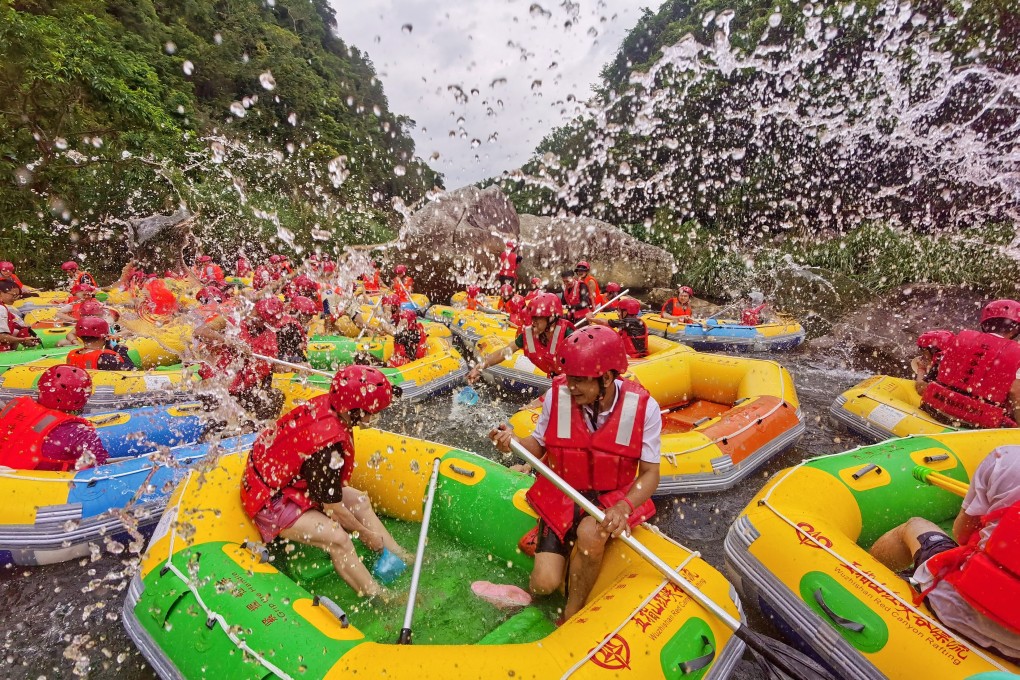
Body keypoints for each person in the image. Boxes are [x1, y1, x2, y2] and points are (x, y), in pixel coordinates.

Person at [489, 326, 661, 620]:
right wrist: (513, 444)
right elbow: (538, 446)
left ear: (606, 377)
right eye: (569, 379)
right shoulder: (559, 396)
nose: (571, 387)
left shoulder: (644, 408)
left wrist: (623, 507)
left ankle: (572, 613)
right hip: (563, 490)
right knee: (544, 584)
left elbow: (649, 474)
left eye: (580, 381)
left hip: (610, 497)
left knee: (591, 534)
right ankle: (551, 561)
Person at [240, 365, 412, 598]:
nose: (374, 417)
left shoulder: (332, 405)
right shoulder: (328, 450)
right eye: (372, 412)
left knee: (359, 500)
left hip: (291, 480)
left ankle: (399, 553)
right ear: (354, 410)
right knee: (339, 539)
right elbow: (333, 509)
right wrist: (364, 533)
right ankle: (382, 596)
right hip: (271, 499)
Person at [869, 445, 1020, 658]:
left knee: (914, 525)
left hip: (953, 608)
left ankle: (865, 572)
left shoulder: (1007, 458)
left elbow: (961, 534)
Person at [918, 299, 1020, 428]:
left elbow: (931, 380)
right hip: (977, 423)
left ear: (986, 323)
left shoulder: (961, 338)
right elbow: (1016, 393)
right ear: (1016, 329)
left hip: (935, 408)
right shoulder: (1017, 352)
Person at [195, 297, 287, 420]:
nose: (254, 319)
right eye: (256, 314)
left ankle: (248, 428)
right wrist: (228, 341)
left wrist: (294, 368)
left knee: (276, 397)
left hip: (242, 391)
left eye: (261, 319)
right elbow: (199, 331)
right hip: (217, 385)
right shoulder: (229, 319)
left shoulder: (269, 339)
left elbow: (269, 366)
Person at [0, 365, 109, 470]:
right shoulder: (77, 431)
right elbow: (99, 465)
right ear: (83, 397)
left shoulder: (18, 407)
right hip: (32, 485)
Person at [467, 293, 573, 383]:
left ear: (551, 319)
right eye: (532, 318)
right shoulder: (529, 334)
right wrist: (478, 367)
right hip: (555, 380)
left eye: (537, 318)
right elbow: (504, 352)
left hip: (572, 382)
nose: (533, 322)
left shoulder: (568, 335)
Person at [66, 317, 134, 371]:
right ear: (104, 336)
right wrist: (121, 352)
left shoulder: (72, 354)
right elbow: (131, 371)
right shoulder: (104, 358)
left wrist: (109, 350)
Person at [911, 330, 954, 396]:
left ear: (933, 350)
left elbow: (922, 390)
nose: (922, 355)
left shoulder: (940, 362)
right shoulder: (952, 358)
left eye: (922, 350)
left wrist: (921, 369)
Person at [0, 280, 38, 351]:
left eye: (18, 295)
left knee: (17, 330)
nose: (16, 298)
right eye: (13, 295)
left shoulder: (4, 308)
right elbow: (2, 337)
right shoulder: (1, 309)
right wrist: (22, 340)